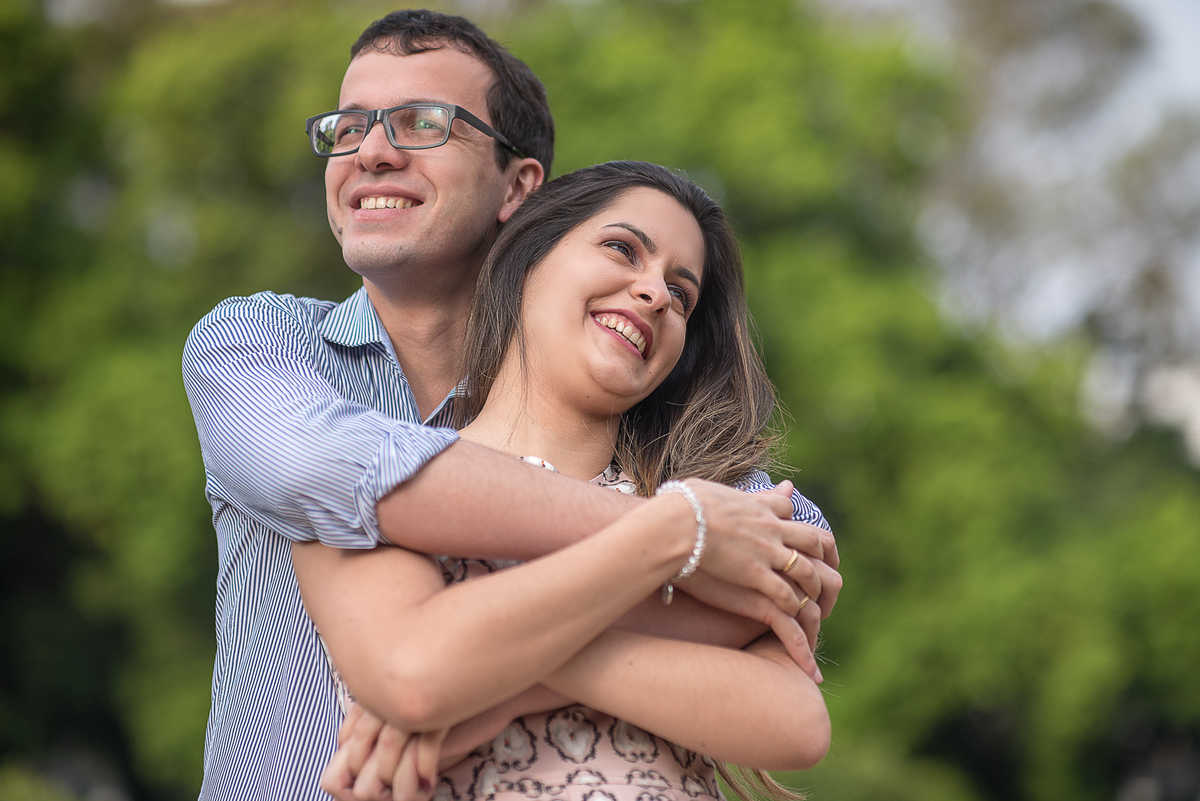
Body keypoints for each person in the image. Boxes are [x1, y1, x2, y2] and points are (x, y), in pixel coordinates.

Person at [181, 10, 839, 801]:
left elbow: (791, 545)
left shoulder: (638, 442)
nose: (372, 152)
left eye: (421, 123)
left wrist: (501, 662)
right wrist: (679, 536)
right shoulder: (265, 345)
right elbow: (332, 472)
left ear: (520, 190)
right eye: (349, 127)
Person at [294, 161, 832, 801]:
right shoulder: (377, 479)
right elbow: (416, 673)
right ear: (527, 258)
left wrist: (510, 676)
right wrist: (673, 533)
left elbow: (797, 725)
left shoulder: (713, 508)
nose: (656, 293)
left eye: (681, 294)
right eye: (622, 249)